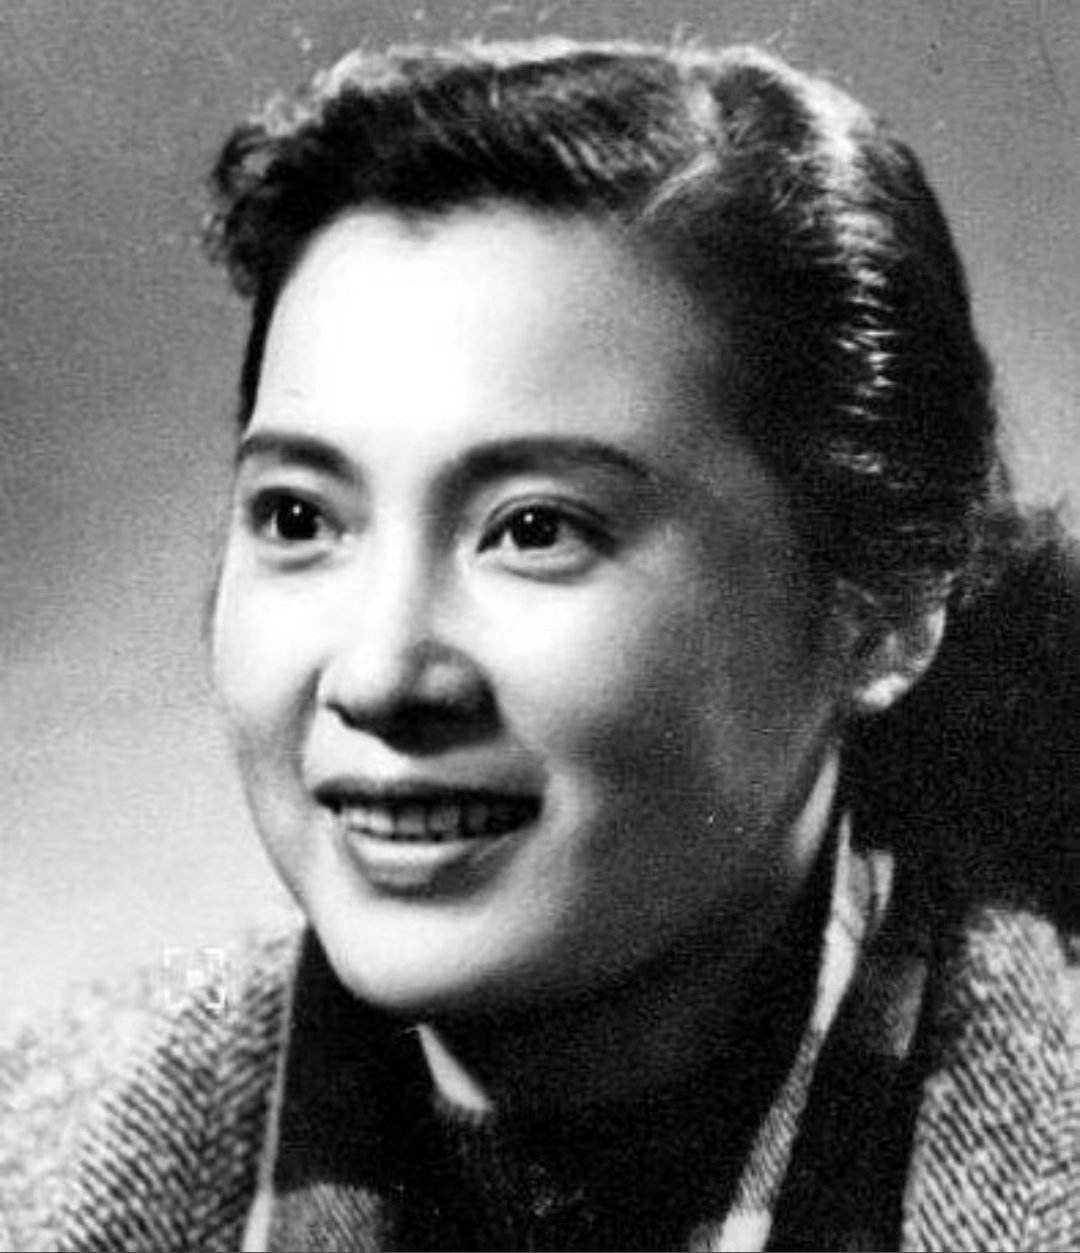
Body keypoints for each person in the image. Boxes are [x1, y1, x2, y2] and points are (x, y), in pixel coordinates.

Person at [2, 36, 1077, 1253]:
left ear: (886, 608)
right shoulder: (29, 1156)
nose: (381, 673)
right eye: (299, 518)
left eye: (535, 529)